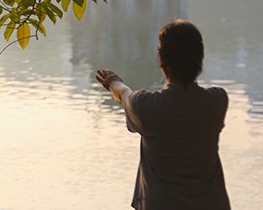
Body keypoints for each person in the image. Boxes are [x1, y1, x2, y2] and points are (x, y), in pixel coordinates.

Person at [96, 19, 230, 210]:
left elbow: (124, 95)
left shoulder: (146, 107)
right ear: (200, 60)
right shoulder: (217, 101)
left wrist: (113, 82)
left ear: (162, 61)